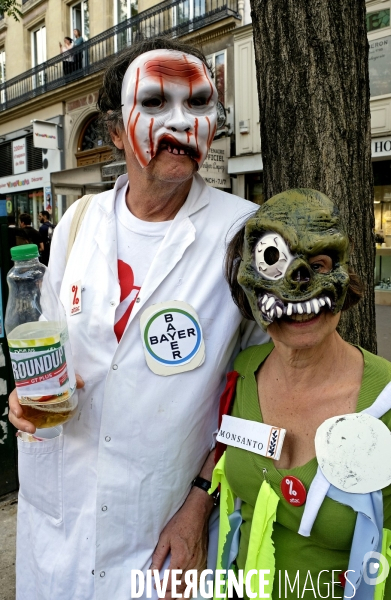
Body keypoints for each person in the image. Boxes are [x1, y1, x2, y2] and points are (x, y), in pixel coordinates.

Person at [9, 38, 268, 600]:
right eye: (154, 103)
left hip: (160, 536)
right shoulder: (77, 222)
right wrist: (23, 399)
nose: (181, 121)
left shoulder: (244, 237)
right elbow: (45, 348)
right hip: (57, 526)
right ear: (116, 129)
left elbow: (260, 394)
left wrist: (201, 501)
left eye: (198, 104)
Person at [211, 188, 391, 598]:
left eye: (320, 263)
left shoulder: (386, 402)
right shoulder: (242, 374)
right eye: (274, 263)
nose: (301, 284)